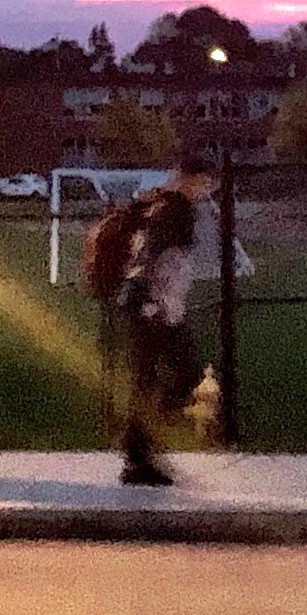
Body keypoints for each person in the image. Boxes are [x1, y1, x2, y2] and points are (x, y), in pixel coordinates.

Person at [113, 149, 214, 488]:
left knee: (155, 379)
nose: (205, 188)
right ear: (187, 178)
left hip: (158, 307)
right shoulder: (172, 209)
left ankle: (141, 451)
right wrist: (147, 297)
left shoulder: (165, 205)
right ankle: (141, 452)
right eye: (202, 181)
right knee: (179, 374)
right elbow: (150, 252)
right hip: (155, 309)